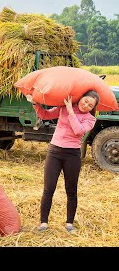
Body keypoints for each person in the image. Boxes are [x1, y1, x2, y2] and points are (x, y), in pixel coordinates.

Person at [26, 90, 100, 233]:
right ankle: (43, 223)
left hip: (72, 154)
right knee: (49, 188)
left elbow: (78, 131)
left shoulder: (90, 119)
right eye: (85, 101)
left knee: (71, 190)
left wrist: (71, 111)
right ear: (81, 98)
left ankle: (69, 223)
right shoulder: (64, 106)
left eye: (90, 105)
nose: (86, 105)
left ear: (93, 108)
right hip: (54, 151)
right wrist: (35, 103)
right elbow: (45, 115)